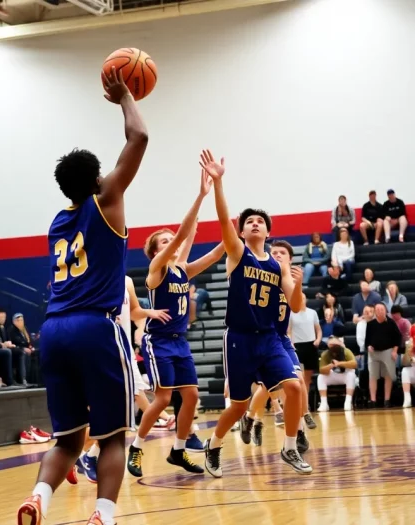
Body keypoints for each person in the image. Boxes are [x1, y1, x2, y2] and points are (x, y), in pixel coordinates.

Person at [17, 69, 147, 525]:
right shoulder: (106, 199)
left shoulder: (57, 221)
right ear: (97, 179)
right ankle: (103, 517)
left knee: (67, 439)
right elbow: (140, 137)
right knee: (114, 436)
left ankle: (38, 499)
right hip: (96, 325)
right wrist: (125, 95)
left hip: (53, 330)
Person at [197, 149, 310, 478]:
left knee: (294, 388)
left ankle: (290, 447)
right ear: (242, 233)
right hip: (240, 338)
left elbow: (296, 306)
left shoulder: (278, 265)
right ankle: (214, 445)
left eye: (260, 221)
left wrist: (299, 286)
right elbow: (222, 219)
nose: (255, 224)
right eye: (249, 222)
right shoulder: (236, 253)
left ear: (268, 231)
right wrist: (218, 182)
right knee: (238, 405)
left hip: (270, 338)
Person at [127, 172, 227, 478]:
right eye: (166, 241)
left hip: (179, 341)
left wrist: (232, 237)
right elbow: (187, 232)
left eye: (173, 239)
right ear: (157, 251)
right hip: (158, 343)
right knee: (164, 398)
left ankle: (179, 449)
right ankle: (137, 446)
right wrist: (200, 196)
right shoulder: (156, 270)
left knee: (193, 397)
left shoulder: (182, 271)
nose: (173, 242)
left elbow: (212, 254)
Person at [240, 242, 311, 452]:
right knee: (270, 387)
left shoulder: (289, 281)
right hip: (259, 338)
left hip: (281, 339)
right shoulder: (263, 275)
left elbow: (295, 310)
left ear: (290, 259)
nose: (278, 255)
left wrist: (297, 284)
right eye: (274, 252)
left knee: (294, 383)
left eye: (283, 253)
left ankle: (296, 430)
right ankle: (253, 417)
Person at [365, 303, 401, 407]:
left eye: (382, 309)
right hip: (374, 353)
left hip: (387, 351)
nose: (380, 311)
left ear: (385, 311)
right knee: (372, 376)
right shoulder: (370, 324)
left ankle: (387, 400)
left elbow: (398, 338)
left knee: (388, 376)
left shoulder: (391, 323)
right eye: (378, 309)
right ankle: (373, 400)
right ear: (375, 311)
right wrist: (369, 347)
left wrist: (394, 351)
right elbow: (367, 341)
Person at [289, 293, 322, 398]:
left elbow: (318, 330)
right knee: (300, 377)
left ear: (306, 299)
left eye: (303, 298)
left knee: (307, 378)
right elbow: (288, 331)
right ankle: (299, 402)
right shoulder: (291, 314)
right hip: (298, 346)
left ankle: (305, 403)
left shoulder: (312, 313)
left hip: (311, 345)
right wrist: (291, 343)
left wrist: (318, 340)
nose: (301, 299)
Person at [316, 336, 357, 412]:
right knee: (320, 377)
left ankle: (348, 401)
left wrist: (339, 363)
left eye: (335, 345)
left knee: (351, 375)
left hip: (345, 375)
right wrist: (330, 366)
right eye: (331, 345)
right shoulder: (325, 354)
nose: (333, 347)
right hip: (333, 375)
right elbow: (321, 370)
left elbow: (354, 364)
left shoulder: (346, 351)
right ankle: (324, 403)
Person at [355, 304, 374, 370]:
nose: (367, 313)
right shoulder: (360, 324)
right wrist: (367, 348)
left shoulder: (378, 323)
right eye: (365, 311)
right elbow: (360, 340)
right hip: (365, 350)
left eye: (370, 311)